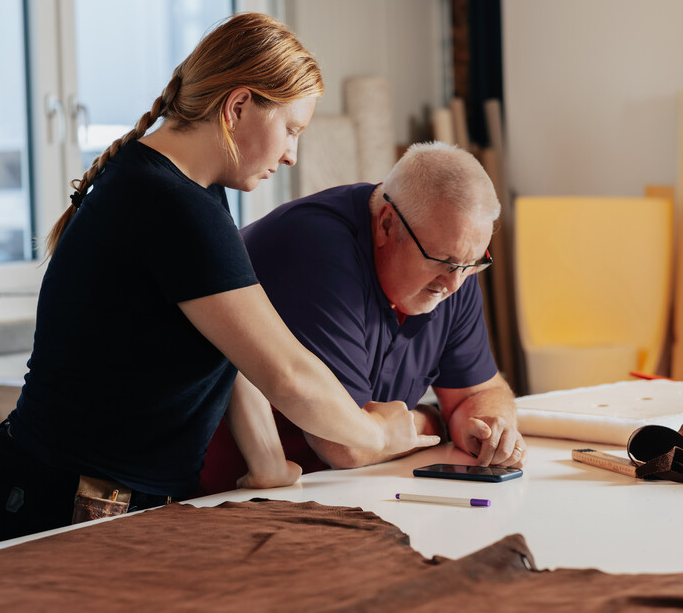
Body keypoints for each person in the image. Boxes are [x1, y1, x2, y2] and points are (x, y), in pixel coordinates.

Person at [0, 12, 438, 552]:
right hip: (54, 508)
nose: (291, 155)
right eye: (291, 130)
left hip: (67, 498)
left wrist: (269, 463)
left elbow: (238, 350)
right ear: (238, 107)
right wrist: (379, 434)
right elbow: (289, 375)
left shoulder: (188, 192)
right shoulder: (171, 204)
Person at [198, 141, 525, 495]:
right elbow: (345, 446)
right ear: (386, 225)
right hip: (218, 496)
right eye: (443, 262)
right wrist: (435, 421)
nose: (454, 284)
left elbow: (479, 392)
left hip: (322, 489)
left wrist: (493, 429)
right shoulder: (317, 251)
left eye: (473, 264)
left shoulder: (454, 263)